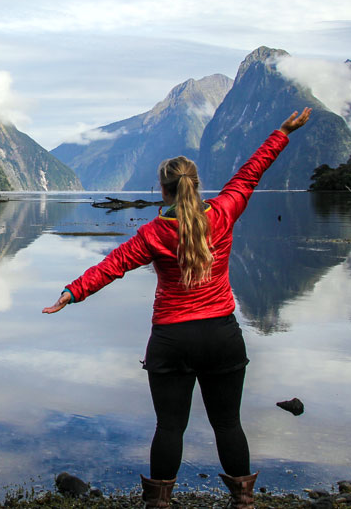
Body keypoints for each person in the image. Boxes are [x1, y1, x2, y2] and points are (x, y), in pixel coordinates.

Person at [42, 108, 312, 509]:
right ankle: (243, 500)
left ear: (164, 190)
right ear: (198, 186)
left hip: (171, 338)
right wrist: (283, 131)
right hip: (221, 334)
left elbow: (110, 266)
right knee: (228, 424)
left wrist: (71, 293)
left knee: (169, 427)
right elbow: (251, 172)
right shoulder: (222, 213)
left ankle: (160, 504)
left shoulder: (153, 233)